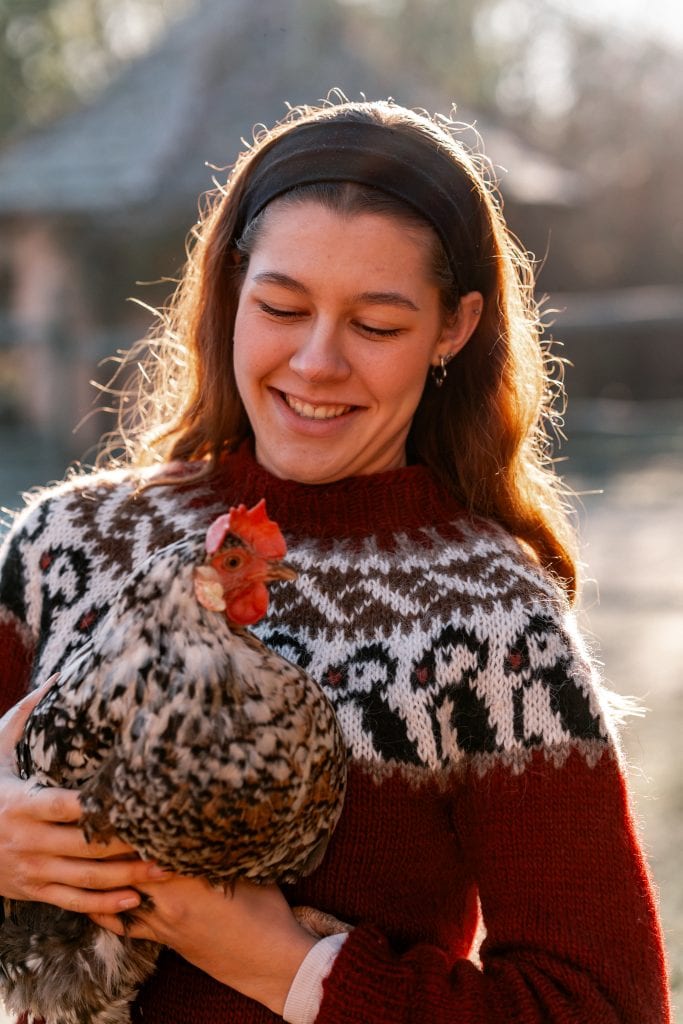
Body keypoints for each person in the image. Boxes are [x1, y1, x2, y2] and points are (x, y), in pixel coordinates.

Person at [0, 97, 671, 1024]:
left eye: (378, 325)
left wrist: (287, 966)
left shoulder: (490, 623)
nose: (316, 362)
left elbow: (602, 1005)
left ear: (452, 327)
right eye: (281, 305)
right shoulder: (60, 549)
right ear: (230, 291)